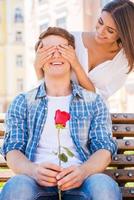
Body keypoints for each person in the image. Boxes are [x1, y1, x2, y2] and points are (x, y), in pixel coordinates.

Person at [0, 27, 122, 200]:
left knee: (103, 186)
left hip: (82, 182)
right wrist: (34, 171)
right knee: (17, 186)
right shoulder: (22, 102)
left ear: (72, 56)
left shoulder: (93, 102)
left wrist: (83, 171)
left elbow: (104, 147)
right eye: (48, 50)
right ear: (38, 59)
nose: (56, 55)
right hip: (35, 183)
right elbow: (13, 150)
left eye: (62, 49)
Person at [34, 0, 134, 101]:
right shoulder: (70, 40)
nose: (100, 31)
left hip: (92, 114)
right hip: (57, 109)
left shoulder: (123, 62)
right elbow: (46, 78)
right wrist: (37, 66)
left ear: (123, 34)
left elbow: (97, 98)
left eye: (110, 31)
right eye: (100, 22)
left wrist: (76, 64)